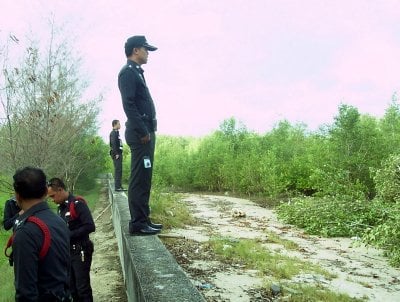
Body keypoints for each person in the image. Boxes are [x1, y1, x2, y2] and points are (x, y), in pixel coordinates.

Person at [118, 35, 162, 235]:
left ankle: (144, 219)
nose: (148, 54)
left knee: (145, 178)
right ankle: (137, 224)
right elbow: (129, 104)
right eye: (146, 50)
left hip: (145, 133)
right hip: (140, 134)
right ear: (136, 50)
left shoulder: (137, 73)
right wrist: (143, 131)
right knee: (138, 179)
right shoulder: (127, 73)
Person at [10, 166, 71, 301]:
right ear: (45, 191)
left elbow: (26, 293)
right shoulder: (59, 221)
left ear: (17, 195)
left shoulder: (26, 232)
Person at [47, 178, 95, 302]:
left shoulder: (77, 204)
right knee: (71, 288)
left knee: (82, 288)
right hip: (67, 253)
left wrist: (69, 235)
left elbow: (90, 226)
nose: (52, 200)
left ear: (60, 190)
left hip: (80, 250)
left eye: (53, 196)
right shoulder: (60, 208)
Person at [109, 119, 125, 191]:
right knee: (118, 170)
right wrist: (116, 154)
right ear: (115, 125)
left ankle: (119, 186)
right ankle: (117, 187)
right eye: (119, 124)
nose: (120, 125)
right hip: (116, 154)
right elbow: (113, 144)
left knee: (120, 170)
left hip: (119, 153)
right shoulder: (113, 133)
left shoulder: (117, 133)